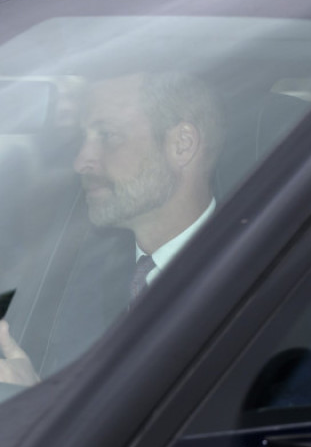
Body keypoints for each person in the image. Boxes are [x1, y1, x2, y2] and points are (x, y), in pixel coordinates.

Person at [0, 71, 225, 386]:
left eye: (107, 135)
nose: (81, 161)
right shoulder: (80, 277)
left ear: (181, 145)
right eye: (83, 138)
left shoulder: (256, 284)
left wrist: (34, 401)